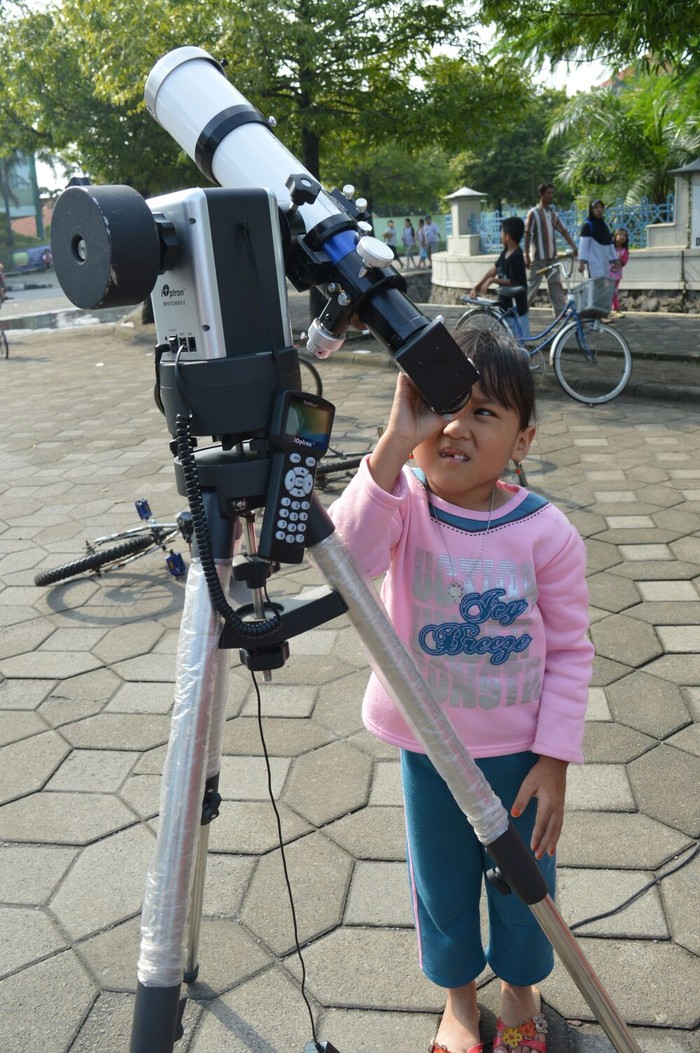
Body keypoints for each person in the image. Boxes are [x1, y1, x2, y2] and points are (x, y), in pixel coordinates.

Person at [329, 327, 593, 1053]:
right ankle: (457, 1000)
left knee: (523, 888)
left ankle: (520, 991)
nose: (455, 425)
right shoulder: (403, 505)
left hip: (518, 757)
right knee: (442, 888)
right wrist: (391, 443)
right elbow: (342, 562)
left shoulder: (547, 533)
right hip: (429, 752)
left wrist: (556, 759)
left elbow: (571, 650)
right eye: (444, 405)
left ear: (523, 438)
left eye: (484, 412)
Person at [470, 216, 530, 339]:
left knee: (520, 342)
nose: (500, 236)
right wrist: (477, 287)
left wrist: (493, 280)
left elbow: (514, 282)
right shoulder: (505, 253)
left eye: (502, 233)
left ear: (508, 236)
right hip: (505, 305)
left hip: (516, 308)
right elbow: (493, 270)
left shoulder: (517, 256)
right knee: (507, 340)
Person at [524, 183, 578, 316]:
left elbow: (563, 230)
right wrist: (526, 254)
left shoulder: (552, 214)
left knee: (555, 284)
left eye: (552, 193)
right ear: (541, 195)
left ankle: (560, 311)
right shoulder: (533, 213)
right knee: (532, 286)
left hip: (552, 257)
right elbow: (527, 234)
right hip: (538, 258)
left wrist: (573, 246)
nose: (550, 196)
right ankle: (521, 311)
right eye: (548, 193)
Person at [577, 200, 619, 281]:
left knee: (605, 285)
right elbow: (583, 245)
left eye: (601, 207)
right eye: (596, 208)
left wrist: (614, 259)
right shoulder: (588, 226)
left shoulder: (605, 225)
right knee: (596, 285)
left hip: (605, 260)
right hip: (593, 262)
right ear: (591, 210)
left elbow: (610, 243)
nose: (599, 210)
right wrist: (582, 262)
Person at [610, 227, 629, 315]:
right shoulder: (610, 248)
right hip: (607, 275)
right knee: (606, 292)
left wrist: (620, 258)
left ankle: (616, 309)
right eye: (620, 235)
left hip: (616, 276)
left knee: (614, 292)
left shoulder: (624, 251)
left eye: (624, 236)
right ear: (614, 236)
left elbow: (624, 262)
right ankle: (607, 309)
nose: (622, 237)